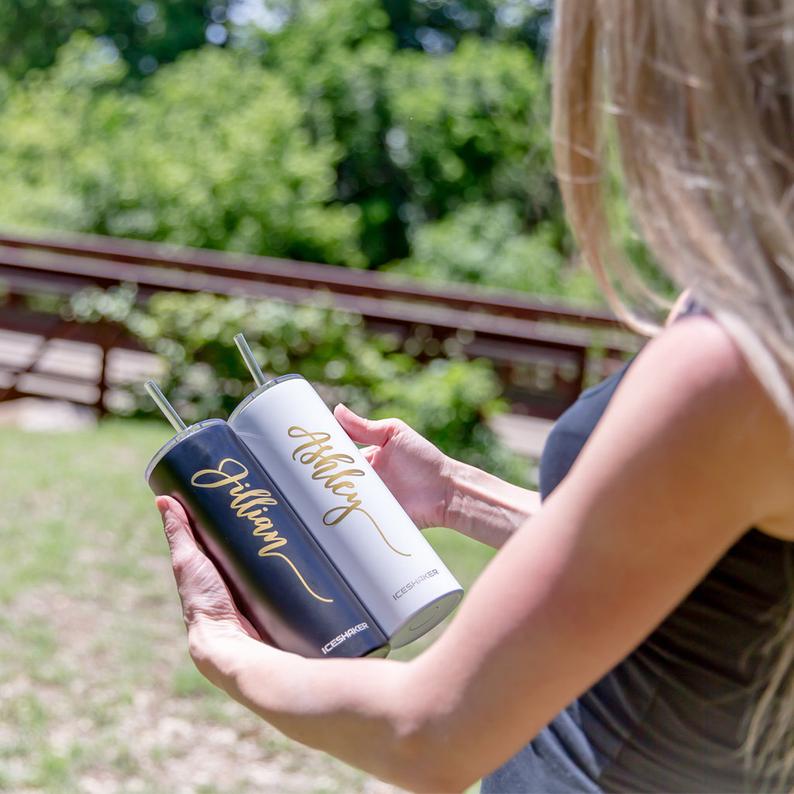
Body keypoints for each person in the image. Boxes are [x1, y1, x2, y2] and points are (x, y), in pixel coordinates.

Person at [155, 1, 794, 791]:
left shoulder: (737, 357)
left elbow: (428, 732)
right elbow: (671, 546)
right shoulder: (754, 300)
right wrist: (456, 493)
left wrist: (224, 643)